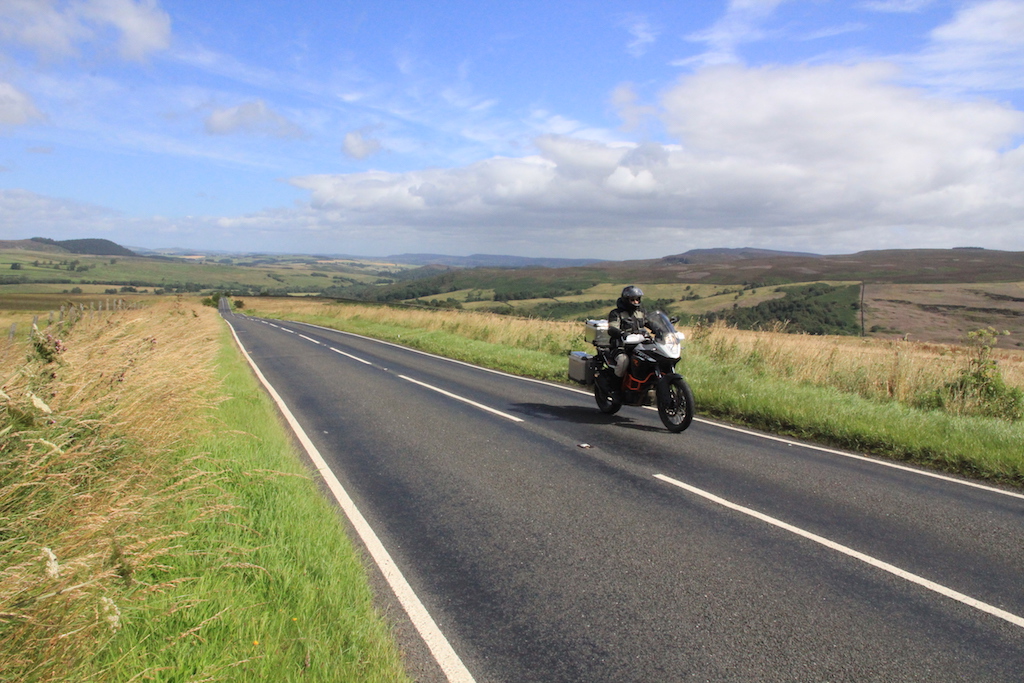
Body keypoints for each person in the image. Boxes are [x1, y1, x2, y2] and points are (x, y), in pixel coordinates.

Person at [607, 285, 650, 378]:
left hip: (640, 346)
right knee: (623, 361)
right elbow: (612, 328)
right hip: (621, 346)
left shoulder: (641, 313)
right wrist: (622, 334)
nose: (635, 302)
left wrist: (661, 330)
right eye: (632, 300)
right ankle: (615, 387)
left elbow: (651, 323)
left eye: (637, 299)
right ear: (626, 300)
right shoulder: (616, 313)